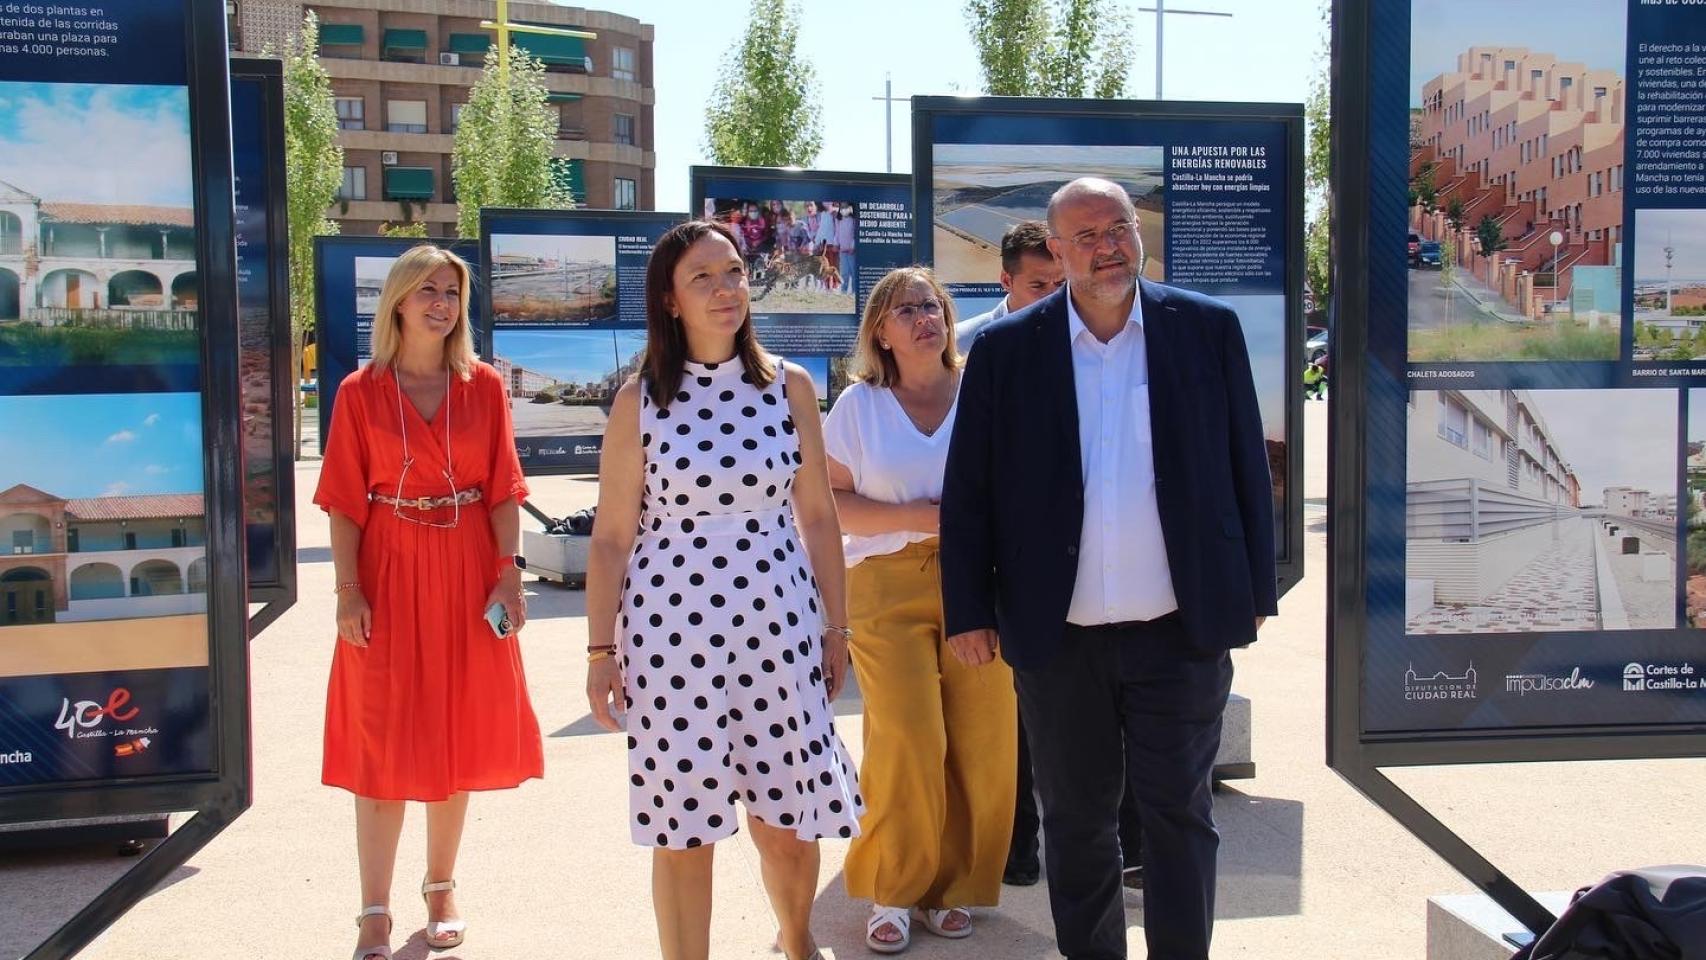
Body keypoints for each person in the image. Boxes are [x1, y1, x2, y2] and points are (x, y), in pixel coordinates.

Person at [940, 178, 1277, 960]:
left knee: (1179, 815)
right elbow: (970, 490)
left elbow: (1245, 466)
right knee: (1076, 822)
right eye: (1086, 236)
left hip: (1179, 630)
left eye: (1118, 228)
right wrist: (969, 609)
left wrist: (1254, 589)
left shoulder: (1205, 329)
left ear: (1138, 234)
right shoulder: (1007, 351)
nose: (1108, 247)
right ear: (1056, 251)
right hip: (1058, 638)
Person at [584, 219, 864, 960]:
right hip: (671, 636)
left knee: (788, 820)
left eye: (734, 271)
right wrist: (600, 651)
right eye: (702, 277)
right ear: (669, 300)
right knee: (682, 828)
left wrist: (838, 628)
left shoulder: (789, 387)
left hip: (779, 627)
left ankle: (798, 942)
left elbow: (819, 516)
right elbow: (610, 538)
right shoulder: (639, 401)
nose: (725, 289)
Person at [315, 244, 543, 960]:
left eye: (452, 292)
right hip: (386, 567)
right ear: (399, 301)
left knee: (456, 730)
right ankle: (374, 910)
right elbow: (343, 502)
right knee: (380, 738)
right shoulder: (359, 391)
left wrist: (509, 573)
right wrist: (347, 589)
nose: (442, 304)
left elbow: (503, 488)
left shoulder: (485, 387)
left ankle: (441, 886)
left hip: (469, 566)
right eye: (428, 291)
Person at [822, 267, 1016, 954]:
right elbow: (830, 502)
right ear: (880, 331)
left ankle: (950, 887)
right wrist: (920, 517)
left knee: (982, 738)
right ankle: (894, 888)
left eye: (931, 305)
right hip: (885, 582)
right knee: (907, 736)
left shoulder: (986, 389)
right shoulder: (859, 407)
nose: (923, 318)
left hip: (982, 582)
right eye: (904, 310)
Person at [954, 221, 1065, 344]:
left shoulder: (1080, 335)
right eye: (1038, 286)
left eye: (1061, 283)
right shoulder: (960, 343)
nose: (1054, 296)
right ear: (1006, 281)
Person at [834, 203, 858, 295]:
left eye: (846, 207)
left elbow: (855, 234)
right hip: (842, 250)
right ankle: (843, 291)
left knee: (853, 272)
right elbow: (837, 233)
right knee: (844, 273)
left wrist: (853, 247)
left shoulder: (854, 220)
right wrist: (836, 244)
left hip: (852, 251)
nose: (844, 209)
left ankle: (854, 291)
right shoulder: (838, 220)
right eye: (842, 207)